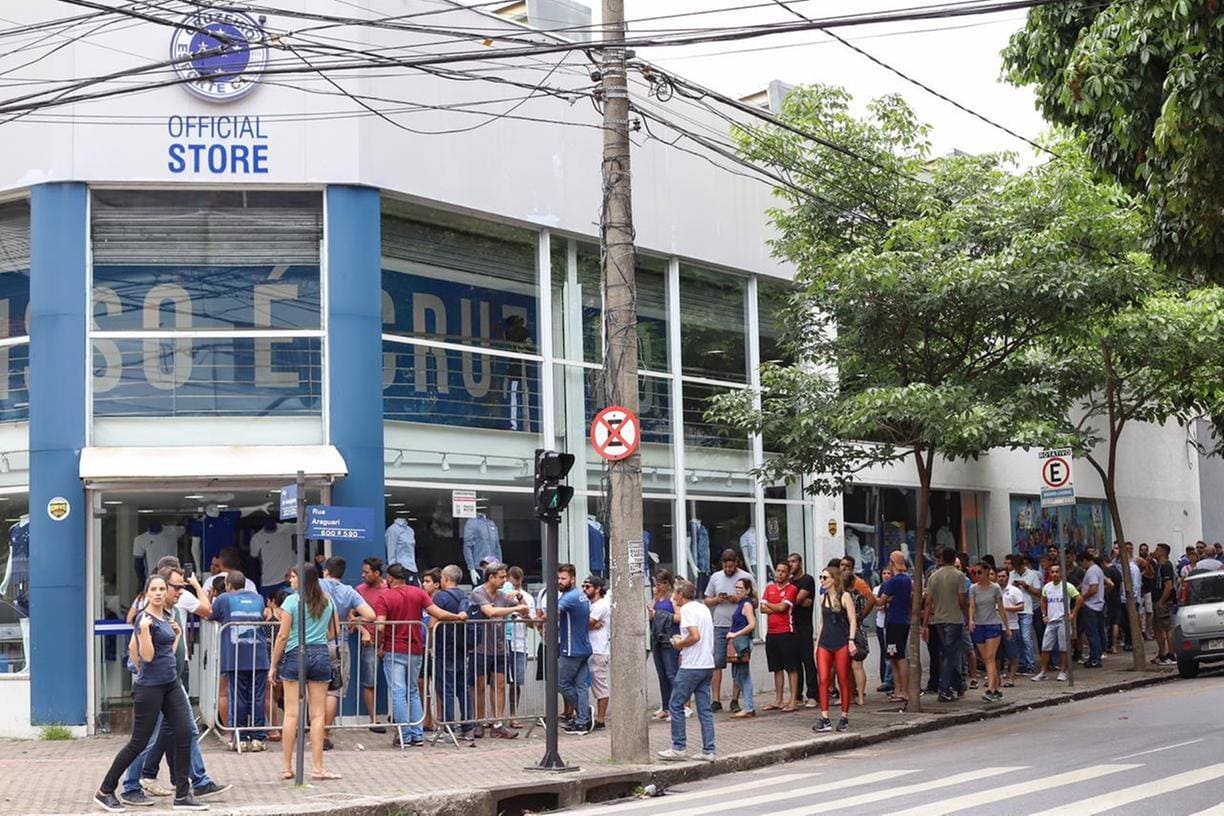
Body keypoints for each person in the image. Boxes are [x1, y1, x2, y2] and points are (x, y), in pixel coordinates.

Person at [95, 575, 207, 812]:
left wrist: (176, 635)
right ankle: (105, 790)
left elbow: (167, 651)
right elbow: (145, 656)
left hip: (170, 683)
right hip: (150, 688)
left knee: (185, 732)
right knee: (139, 743)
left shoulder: (166, 615)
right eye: (153, 589)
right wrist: (145, 632)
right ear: (146, 593)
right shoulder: (144, 620)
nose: (158, 593)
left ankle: (183, 795)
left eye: (161, 589)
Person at [119, 567, 228, 805]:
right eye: (176, 587)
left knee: (182, 731)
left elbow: (171, 647)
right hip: (155, 685)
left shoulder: (172, 612)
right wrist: (141, 675)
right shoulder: (149, 615)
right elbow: (134, 648)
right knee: (147, 738)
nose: (180, 591)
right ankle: (129, 786)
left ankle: (189, 784)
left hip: (173, 681)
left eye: (182, 587)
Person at [375, 562, 466, 747]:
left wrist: (379, 644)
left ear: (390, 579)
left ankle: (404, 734)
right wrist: (457, 617)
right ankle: (417, 735)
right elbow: (438, 613)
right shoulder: (419, 593)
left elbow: (381, 626)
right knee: (413, 691)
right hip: (416, 648)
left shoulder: (384, 597)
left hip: (394, 648)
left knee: (398, 692)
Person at [269, 565, 340, 782]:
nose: (290, 581)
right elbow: (333, 631)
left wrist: (273, 664)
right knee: (317, 715)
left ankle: (287, 767)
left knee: (291, 714)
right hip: (320, 654)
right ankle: (318, 767)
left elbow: (282, 635)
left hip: (294, 654)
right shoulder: (327, 600)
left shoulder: (292, 601)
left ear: (302, 579)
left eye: (293, 577)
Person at [208, 570, 270, 751]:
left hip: (235, 656)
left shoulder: (224, 598)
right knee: (257, 697)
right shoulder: (258, 598)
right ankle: (258, 738)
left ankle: (240, 737)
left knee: (238, 697)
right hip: (258, 656)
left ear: (228, 585)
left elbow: (210, 615)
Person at [318, 557, 376, 749]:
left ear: (326, 570)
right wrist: (353, 621)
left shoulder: (317, 586)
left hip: (315, 642)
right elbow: (371, 615)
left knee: (314, 689)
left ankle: (316, 730)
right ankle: (325, 733)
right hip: (339, 643)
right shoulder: (349, 591)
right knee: (333, 692)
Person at [657, 581, 716, 762]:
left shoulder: (688, 610)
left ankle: (678, 747)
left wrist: (678, 643)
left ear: (681, 595)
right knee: (705, 709)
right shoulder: (703, 608)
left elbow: (695, 636)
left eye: (675, 593)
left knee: (675, 704)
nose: (673, 597)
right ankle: (709, 750)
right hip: (707, 664)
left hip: (692, 665)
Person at [468, 562, 528, 739]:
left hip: (501, 647)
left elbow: (525, 613)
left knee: (500, 684)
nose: (504, 580)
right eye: (501, 577)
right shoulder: (478, 593)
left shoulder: (503, 595)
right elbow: (490, 611)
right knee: (480, 685)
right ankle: (479, 722)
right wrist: (516, 607)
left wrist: (519, 597)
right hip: (481, 647)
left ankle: (498, 724)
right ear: (491, 577)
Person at [703, 549, 752, 712]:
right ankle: (716, 700)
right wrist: (717, 599)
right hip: (720, 625)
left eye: (731, 567)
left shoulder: (746, 577)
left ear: (737, 563)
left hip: (738, 627)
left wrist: (738, 599)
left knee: (737, 662)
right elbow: (707, 600)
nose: (729, 570)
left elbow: (756, 601)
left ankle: (734, 699)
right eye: (726, 567)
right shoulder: (716, 577)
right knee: (717, 662)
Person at [431, 565, 475, 742]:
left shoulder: (441, 597)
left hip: (444, 648)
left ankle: (448, 728)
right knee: (462, 688)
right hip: (460, 648)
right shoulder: (463, 597)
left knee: (446, 688)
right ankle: (468, 727)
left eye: (441, 578)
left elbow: (432, 623)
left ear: (446, 579)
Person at [813, 569, 857, 733]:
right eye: (821, 577)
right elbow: (822, 624)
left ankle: (844, 717)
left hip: (841, 642)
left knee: (843, 678)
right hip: (825, 642)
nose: (822, 580)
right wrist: (817, 645)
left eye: (824, 577)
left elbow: (853, 620)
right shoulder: (822, 598)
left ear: (833, 579)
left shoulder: (844, 596)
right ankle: (824, 717)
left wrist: (851, 640)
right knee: (823, 679)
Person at [923, 546, 966, 703]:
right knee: (950, 654)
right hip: (954, 618)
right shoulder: (958, 576)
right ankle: (946, 688)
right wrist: (967, 616)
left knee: (947, 653)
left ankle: (957, 683)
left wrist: (925, 624)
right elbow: (962, 600)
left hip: (939, 619)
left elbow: (928, 602)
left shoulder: (933, 577)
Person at [554, 563, 593, 735]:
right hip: (583, 646)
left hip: (571, 649)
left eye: (563, 578)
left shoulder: (568, 597)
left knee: (561, 683)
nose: (559, 582)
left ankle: (584, 715)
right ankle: (582, 722)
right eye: (558, 578)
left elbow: (553, 612)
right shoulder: (581, 595)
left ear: (573, 579)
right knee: (581, 686)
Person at [354, 557, 388, 733]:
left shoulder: (388, 588)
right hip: (370, 644)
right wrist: (363, 630)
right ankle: (373, 720)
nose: (362, 575)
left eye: (366, 572)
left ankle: (396, 716)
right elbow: (351, 616)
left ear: (377, 573)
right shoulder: (359, 590)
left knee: (397, 682)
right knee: (369, 682)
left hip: (390, 642)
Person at [1033, 563, 1083, 682]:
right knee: (1045, 647)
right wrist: (1044, 614)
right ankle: (1043, 671)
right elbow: (1043, 600)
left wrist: (1073, 613)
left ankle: (1063, 671)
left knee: (1064, 648)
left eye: (1057, 572)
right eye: (1052, 572)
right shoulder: (1047, 587)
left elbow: (1079, 598)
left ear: (1061, 573)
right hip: (1051, 621)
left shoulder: (1067, 586)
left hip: (1063, 620)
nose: (1055, 574)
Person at [760, 561, 799, 712]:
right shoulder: (769, 587)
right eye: (778, 570)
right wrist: (774, 606)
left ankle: (793, 700)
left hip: (786, 632)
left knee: (790, 667)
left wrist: (771, 605)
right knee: (776, 668)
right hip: (771, 633)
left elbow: (783, 608)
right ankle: (778, 700)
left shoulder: (792, 589)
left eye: (783, 571)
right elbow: (762, 609)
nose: (779, 574)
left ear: (788, 574)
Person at [968, 561, 1008, 702]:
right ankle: (996, 689)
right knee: (986, 659)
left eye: (980, 572)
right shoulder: (973, 589)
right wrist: (971, 620)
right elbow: (972, 606)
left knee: (990, 658)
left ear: (987, 571)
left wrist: (1007, 627)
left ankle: (990, 689)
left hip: (993, 624)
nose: (978, 575)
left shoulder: (995, 588)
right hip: (979, 625)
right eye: (975, 572)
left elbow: (1001, 608)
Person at [878, 551, 913, 704]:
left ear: (892, 563)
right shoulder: (908, 580)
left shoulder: (893, 582)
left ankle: (902, 690)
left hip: (894, 621)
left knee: (897, 656)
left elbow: (880, 602)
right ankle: (900, 689)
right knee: (895, 656)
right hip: (903, 620)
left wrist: (868, 594)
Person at [502, 565, 535, 725]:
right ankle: (497, 718)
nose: (513, 588)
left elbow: (531, 624)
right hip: (503, 642)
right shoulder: (502, 594)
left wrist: (523, 610)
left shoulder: (527, 597)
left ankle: (513, 715)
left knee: (517, 682)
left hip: (520, 643)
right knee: (499, 681)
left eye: (516, 584)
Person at [786, 552, 818, 709]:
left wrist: (793, 600)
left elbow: (796, 599)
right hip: (791, 625)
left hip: (804, 625)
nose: (791, 564)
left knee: (808, 660)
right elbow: (789, 600)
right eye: (789, 562)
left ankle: (813, 694)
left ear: (800, 562)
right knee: (794, 662)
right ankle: (797, 695)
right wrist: (794, 600)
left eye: (793, 561)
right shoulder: (789, 582)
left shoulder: (807, 580)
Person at [649, 570, 680, 721]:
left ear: (667, 584)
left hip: (670, 638)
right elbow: (650, 615)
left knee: (671, 673)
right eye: (655, 584)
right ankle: (665, 706)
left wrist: (660, 615)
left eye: (659, 584)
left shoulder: (673, 598)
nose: (657, 587)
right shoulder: (656, 598)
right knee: (662, 674)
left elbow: (680, 617)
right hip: (657, 638)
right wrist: (654, 599)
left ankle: (677, 707)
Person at [584, 575, 611, 730]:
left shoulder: (601, 605)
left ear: (597, 589)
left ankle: (600, 719)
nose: (584, 589)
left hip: (599, 650)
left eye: (588, 587)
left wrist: (588, 624)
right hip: (589, 648)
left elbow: (587, 622)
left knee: (600, 684)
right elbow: (587, 623)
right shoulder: (589, 604)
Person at [726, 577, 757, 718]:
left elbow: (752, 624)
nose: (738, 590)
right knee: (738, 674)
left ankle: (749, 707)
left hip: (743, 641)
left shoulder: (747, 605)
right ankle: (748, 706)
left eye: (741, 588)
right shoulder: (741, 604)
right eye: (737, 588)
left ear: (748, 590)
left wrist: (735, 634)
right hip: (738, 641)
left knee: (744, 675)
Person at [1008, 554, 1043, 674]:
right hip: (1014, 609)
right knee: (1017, 639)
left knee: (1026, 637)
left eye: (1018, 567)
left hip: (1027, 609)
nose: (1016, 570)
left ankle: (1030, 663)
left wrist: (1025, 585)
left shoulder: (1032, 574)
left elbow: (1038, 592)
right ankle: (1021, 663)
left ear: (1023, 564)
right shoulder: (1012, 574)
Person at [1077, 551, 1107, 668]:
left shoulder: (1092, 571)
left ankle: (1095, 658)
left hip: (1091, 605)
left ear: (1085, 560)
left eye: (1081, 563)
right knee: (1097, 631)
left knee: (1092, 633)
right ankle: (1096, 655)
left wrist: (1082, 597)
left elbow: (1093, 588)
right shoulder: (1097, 569)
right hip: (1098, 605)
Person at [1152, 543, 1177, 665]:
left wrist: (1161, 602)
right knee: (1157, 629)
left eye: (1157, 550)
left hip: (1164, 602)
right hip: (1157, 600)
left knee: (1166, 628)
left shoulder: (1166, 566)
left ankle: (1170, 654)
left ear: (1163, 552)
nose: (1154, 552)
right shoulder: (1158, 566)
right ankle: (1161, 653)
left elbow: (1168, 586)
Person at [999, 569, 1023, 688]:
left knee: (1012, 655)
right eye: (999, 576)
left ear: (1008, 577)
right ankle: (996, 678)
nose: (1001, 578)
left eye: (1003, 576)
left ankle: (1011, 678)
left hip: (1012, 626)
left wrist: (1005, 609)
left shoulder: (1014, 591)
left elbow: (1021, 606)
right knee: (997, 656)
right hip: (997, 626)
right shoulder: (994, 590)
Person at [874, 567, 894, 692]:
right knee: (884, 652)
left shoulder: (892, 587)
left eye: (888, 573)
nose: (886, 575)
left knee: (890, 653)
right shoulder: (878, 588)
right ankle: (885, 678)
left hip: (890, 623)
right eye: (884, 573)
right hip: (880, 623)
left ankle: (889, 679)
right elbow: (878, 605)